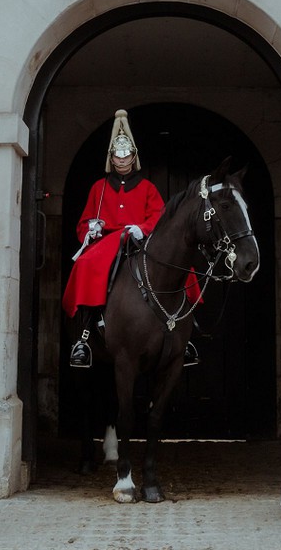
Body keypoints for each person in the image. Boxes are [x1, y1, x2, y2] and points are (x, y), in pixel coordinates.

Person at [62, 109, 199, 368]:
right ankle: (84, 335)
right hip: (108, 241)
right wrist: (91, 229)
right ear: (111, 158)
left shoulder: (147, 187)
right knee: (85, 265)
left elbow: (160, 218)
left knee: (185, 269)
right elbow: (83, 223)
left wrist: (143, 228)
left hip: (141, 240)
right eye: (117, 154)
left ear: (134, 157)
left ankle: (189, 334)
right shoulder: (98, 188)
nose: (122, 159)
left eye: (126, 154)